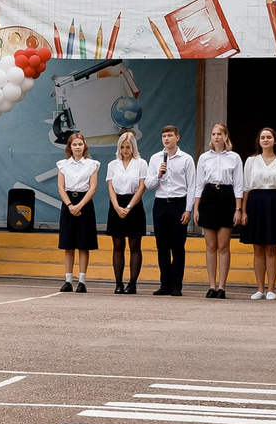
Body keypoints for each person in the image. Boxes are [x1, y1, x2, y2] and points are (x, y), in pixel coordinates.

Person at [187, 124, 242, 299]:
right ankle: (211, 285)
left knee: (223, 246)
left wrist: (238, 209)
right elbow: (198, 184)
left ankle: (222, 286)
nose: (216, 137)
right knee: (210, 246)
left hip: (227, 196)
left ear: (226, 136)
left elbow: (239, 185)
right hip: (209, 196)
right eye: (213, 134)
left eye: (219, 134)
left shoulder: (234, 158)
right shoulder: (204, 158)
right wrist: (196, 207)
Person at [238, 126, 276, 300]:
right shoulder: (251, 161)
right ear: (259, 141)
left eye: (269, 137)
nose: (266, 140)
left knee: (271, 247)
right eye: (263, 137)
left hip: (275, 203)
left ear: (274, 140)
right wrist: (243, 211)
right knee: (257, 248)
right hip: (256, 203)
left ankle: (271, 288)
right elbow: (246, 188)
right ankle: (259, 288)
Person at [143, 125, 195, 297]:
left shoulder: (186, 159)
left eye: (170, 136)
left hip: (179, 203)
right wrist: (159, 174)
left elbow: (191, 186)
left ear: (177, 138)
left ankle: (176, 285)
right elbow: (148, 184)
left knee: (178, 246)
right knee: (162, 247)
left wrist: (188, 209)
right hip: (161, 203)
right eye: (164, 136)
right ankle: (164, 284)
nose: (167, 139)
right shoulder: (156, 158)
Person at [103, 130, 150, 295]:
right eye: (122, 147)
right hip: (116, 204)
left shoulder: (141, 163)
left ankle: (132, 283)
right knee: (117, 245)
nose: (125, 150)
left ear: (133, 147)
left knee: (134, 245)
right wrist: (116, 206)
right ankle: (118, 283)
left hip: (134, 204)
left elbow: (142, 186)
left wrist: (129, 207)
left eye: (128, 147)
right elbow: (110, 186)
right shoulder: (112, 165)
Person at [53, 130, 98, 293]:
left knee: (83, 244)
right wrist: (70, 205)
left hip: (85, 203)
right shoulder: (62, 164)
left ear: (84, 145)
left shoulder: (93, 164)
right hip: (68, 203)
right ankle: (67, 280)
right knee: (68, 244)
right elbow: (60, 187)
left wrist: (79, 206)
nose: (78, 147)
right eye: (74, 144)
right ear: (70, 147)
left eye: (80, 144)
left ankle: (82, 281)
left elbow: (93, 188)